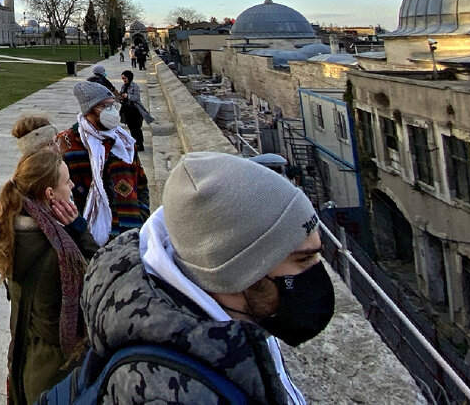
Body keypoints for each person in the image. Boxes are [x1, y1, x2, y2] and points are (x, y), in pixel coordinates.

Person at [75, 151, 333, 404]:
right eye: (304, 259)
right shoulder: (171, 392)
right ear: (240, 271)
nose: (316, 270)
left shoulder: (237, 319)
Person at [0, 149, 99, 405]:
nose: (72, 186)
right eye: (67, 182)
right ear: (50, 194)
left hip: (23, 357)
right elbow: (103, 278)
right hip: (54, 371)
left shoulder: (10, 229)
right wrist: (79, 230)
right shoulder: (59, 253)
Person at [57, 82, 149, 245]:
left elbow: (140, 182)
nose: (112, 110)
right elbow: (60, 192)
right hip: (88, 238)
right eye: (105, 106)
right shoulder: (68, 143)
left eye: (113, 105)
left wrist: (143, 213)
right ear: (89, 110)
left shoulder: (124, 142)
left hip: (130, 231)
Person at [117, 69, 155, 152]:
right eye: (123, 79)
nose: (124, 80)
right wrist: (120, 97)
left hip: (135, 110)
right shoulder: (123, 86)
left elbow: (136, 98)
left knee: (137, 128)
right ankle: (134, 143)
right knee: (131, 128)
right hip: (126, 109)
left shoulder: (135, 86)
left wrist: (127, 96)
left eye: (125, 78)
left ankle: (140, 144)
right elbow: (121, 96)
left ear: (129, 78)